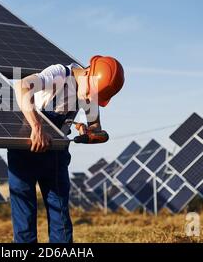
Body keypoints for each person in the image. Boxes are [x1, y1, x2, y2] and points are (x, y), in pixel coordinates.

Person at [8, 55, 125, 243]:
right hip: (25, 149)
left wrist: (91, 131)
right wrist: (37, 127)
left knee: (60, 216)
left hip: (55, 154)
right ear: (88, 74)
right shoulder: (59, 74)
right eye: (90, 93)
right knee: (25, 214)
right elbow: (21, 86)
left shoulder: (91, 89)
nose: (89, 99)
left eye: (94, 97)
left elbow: (95, 126)